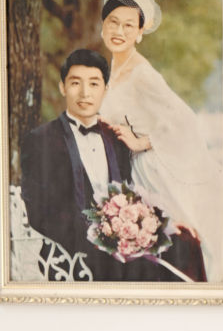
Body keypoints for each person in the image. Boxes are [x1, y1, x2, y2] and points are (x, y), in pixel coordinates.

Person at [97, 0, 221, 281]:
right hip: (131, 174)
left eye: (129, 25)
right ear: (103, 26)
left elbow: (183, 120)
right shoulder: (114, 70)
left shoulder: (142, 73)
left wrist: (141, 142)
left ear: (140, 33)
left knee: (177, 247)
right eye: (113, 22)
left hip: (153, 173)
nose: (119, 31)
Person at [18, 49, 167, 282]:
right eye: (75, 83)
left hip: (124, 256)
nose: (85, 93)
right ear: (62, 87)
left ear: (105, 89)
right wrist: (98, 241)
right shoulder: (40, 140)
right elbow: (39, 212)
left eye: (94, 84)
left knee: (175, 254)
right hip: (69, 259)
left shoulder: (118, 138)